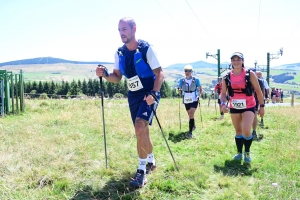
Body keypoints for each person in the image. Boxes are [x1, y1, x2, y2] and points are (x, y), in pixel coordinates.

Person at [96, 17, 164, 188]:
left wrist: (154, 94)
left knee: (140, 127)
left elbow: (160, 73)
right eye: (119, 30)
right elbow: (117, 77)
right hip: (133, 95)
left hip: (149, 92)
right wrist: (104, 74)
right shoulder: (119, 53)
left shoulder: (147, 49)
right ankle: (151, 161)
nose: (121, 33)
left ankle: (141, 172)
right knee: (143, 131)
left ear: (134, 29)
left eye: (124, 29)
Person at [220, 52, 265, 163]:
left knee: (246, 130)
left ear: (242, 61)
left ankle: (247, 153)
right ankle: (239, 153)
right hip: (234, 106)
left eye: (238, 59)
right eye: (233, 60)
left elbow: (258, 91)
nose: (236, 62)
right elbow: (223, 93)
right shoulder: (226, 77)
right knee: (238, 131)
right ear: (231, 62)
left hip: (249, 105)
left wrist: (262, 106)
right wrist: (223, 104)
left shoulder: (250, 74)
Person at [177, 65, 202, 139]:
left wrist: (199, 96)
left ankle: (190, 132)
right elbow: (179, 88)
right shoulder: (182, 80)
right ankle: (193, 125)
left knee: (191, 113)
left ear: (192, 72)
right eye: (186, 71)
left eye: (189, 71)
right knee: (189, 114)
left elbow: (200, 88)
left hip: (194, 98)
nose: (187, 72)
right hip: (186, 99)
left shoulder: (196, 79)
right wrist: (179, 90)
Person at [252, 71, 265, 139]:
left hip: (256, 99)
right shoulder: (245, 79)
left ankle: (254, 131)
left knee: (254, 114)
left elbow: (262, 90)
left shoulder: (259, 81)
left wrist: (262, 101)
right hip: (247, 100)